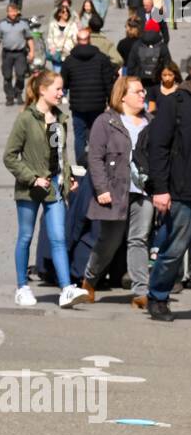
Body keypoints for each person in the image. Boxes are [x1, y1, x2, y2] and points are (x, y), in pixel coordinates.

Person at [2, 70, 89, 309]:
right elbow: (10, 156)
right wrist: (32, 178)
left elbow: (60, 153)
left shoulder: (59, 119)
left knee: (58, 238)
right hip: (30, 189)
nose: (62, 93)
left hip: (55, 187)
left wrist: (68, 176)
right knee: (26, 236)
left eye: (62, 89)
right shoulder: (26, 119)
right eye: (58, 89)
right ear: (43, 90)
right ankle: (22, 287)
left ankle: (66, 289)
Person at [79, 77, 153, 310]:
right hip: (115, 190)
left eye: (143, 91)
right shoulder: (106, 121)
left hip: (144, 191)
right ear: (122, 96)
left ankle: (142, 291)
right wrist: (101, 189)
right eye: (138, 91)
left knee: (139, 239)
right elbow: (95, 157)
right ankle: (89, 280)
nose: (143, 95)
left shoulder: (150, 122)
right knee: (109, 241)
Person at [146, 67, 191, 321]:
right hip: (182, 190)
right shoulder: (176, 102)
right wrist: (161, 189)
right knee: (175, 248)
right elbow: (158, 147)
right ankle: (158, 296)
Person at [61, 23, 117, 163]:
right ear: (89, 40)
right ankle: (97, 160)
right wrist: (111, 101)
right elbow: (108, 82)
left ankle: (81, 162)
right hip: (98, 105)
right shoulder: (102, 59)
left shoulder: (69, 60)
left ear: (77, 41)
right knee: (97, 133)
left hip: (78, 106)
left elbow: (64, 83)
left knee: (79, 135)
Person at [0, 3, 34, 106]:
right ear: (7, 12)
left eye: (14, 11)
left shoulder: (23, 24)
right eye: (10, 11)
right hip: (7, 53)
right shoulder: (2, 24)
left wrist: (32, 51)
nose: (13, 13)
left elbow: (29, 38)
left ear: (18, 12)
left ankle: (18, 93)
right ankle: (9, 97)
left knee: (21, 74)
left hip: (20, 53)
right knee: (7, 76)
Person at [126, 22, 170, 107]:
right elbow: (168, 65)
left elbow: (130, 66)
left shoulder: (137, 45)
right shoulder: (162, 46)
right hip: (157, 82)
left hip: (140, 82)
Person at [46, 2, 77, 70]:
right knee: (58, 74)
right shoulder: (53, 25)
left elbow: (75, 39)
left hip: (69, 54)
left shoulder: (72, 25)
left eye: (67, 12)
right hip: (57, 55)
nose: (66, 13)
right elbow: (49, 38)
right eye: (63, 12)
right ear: (59, 14)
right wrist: (52, 47)